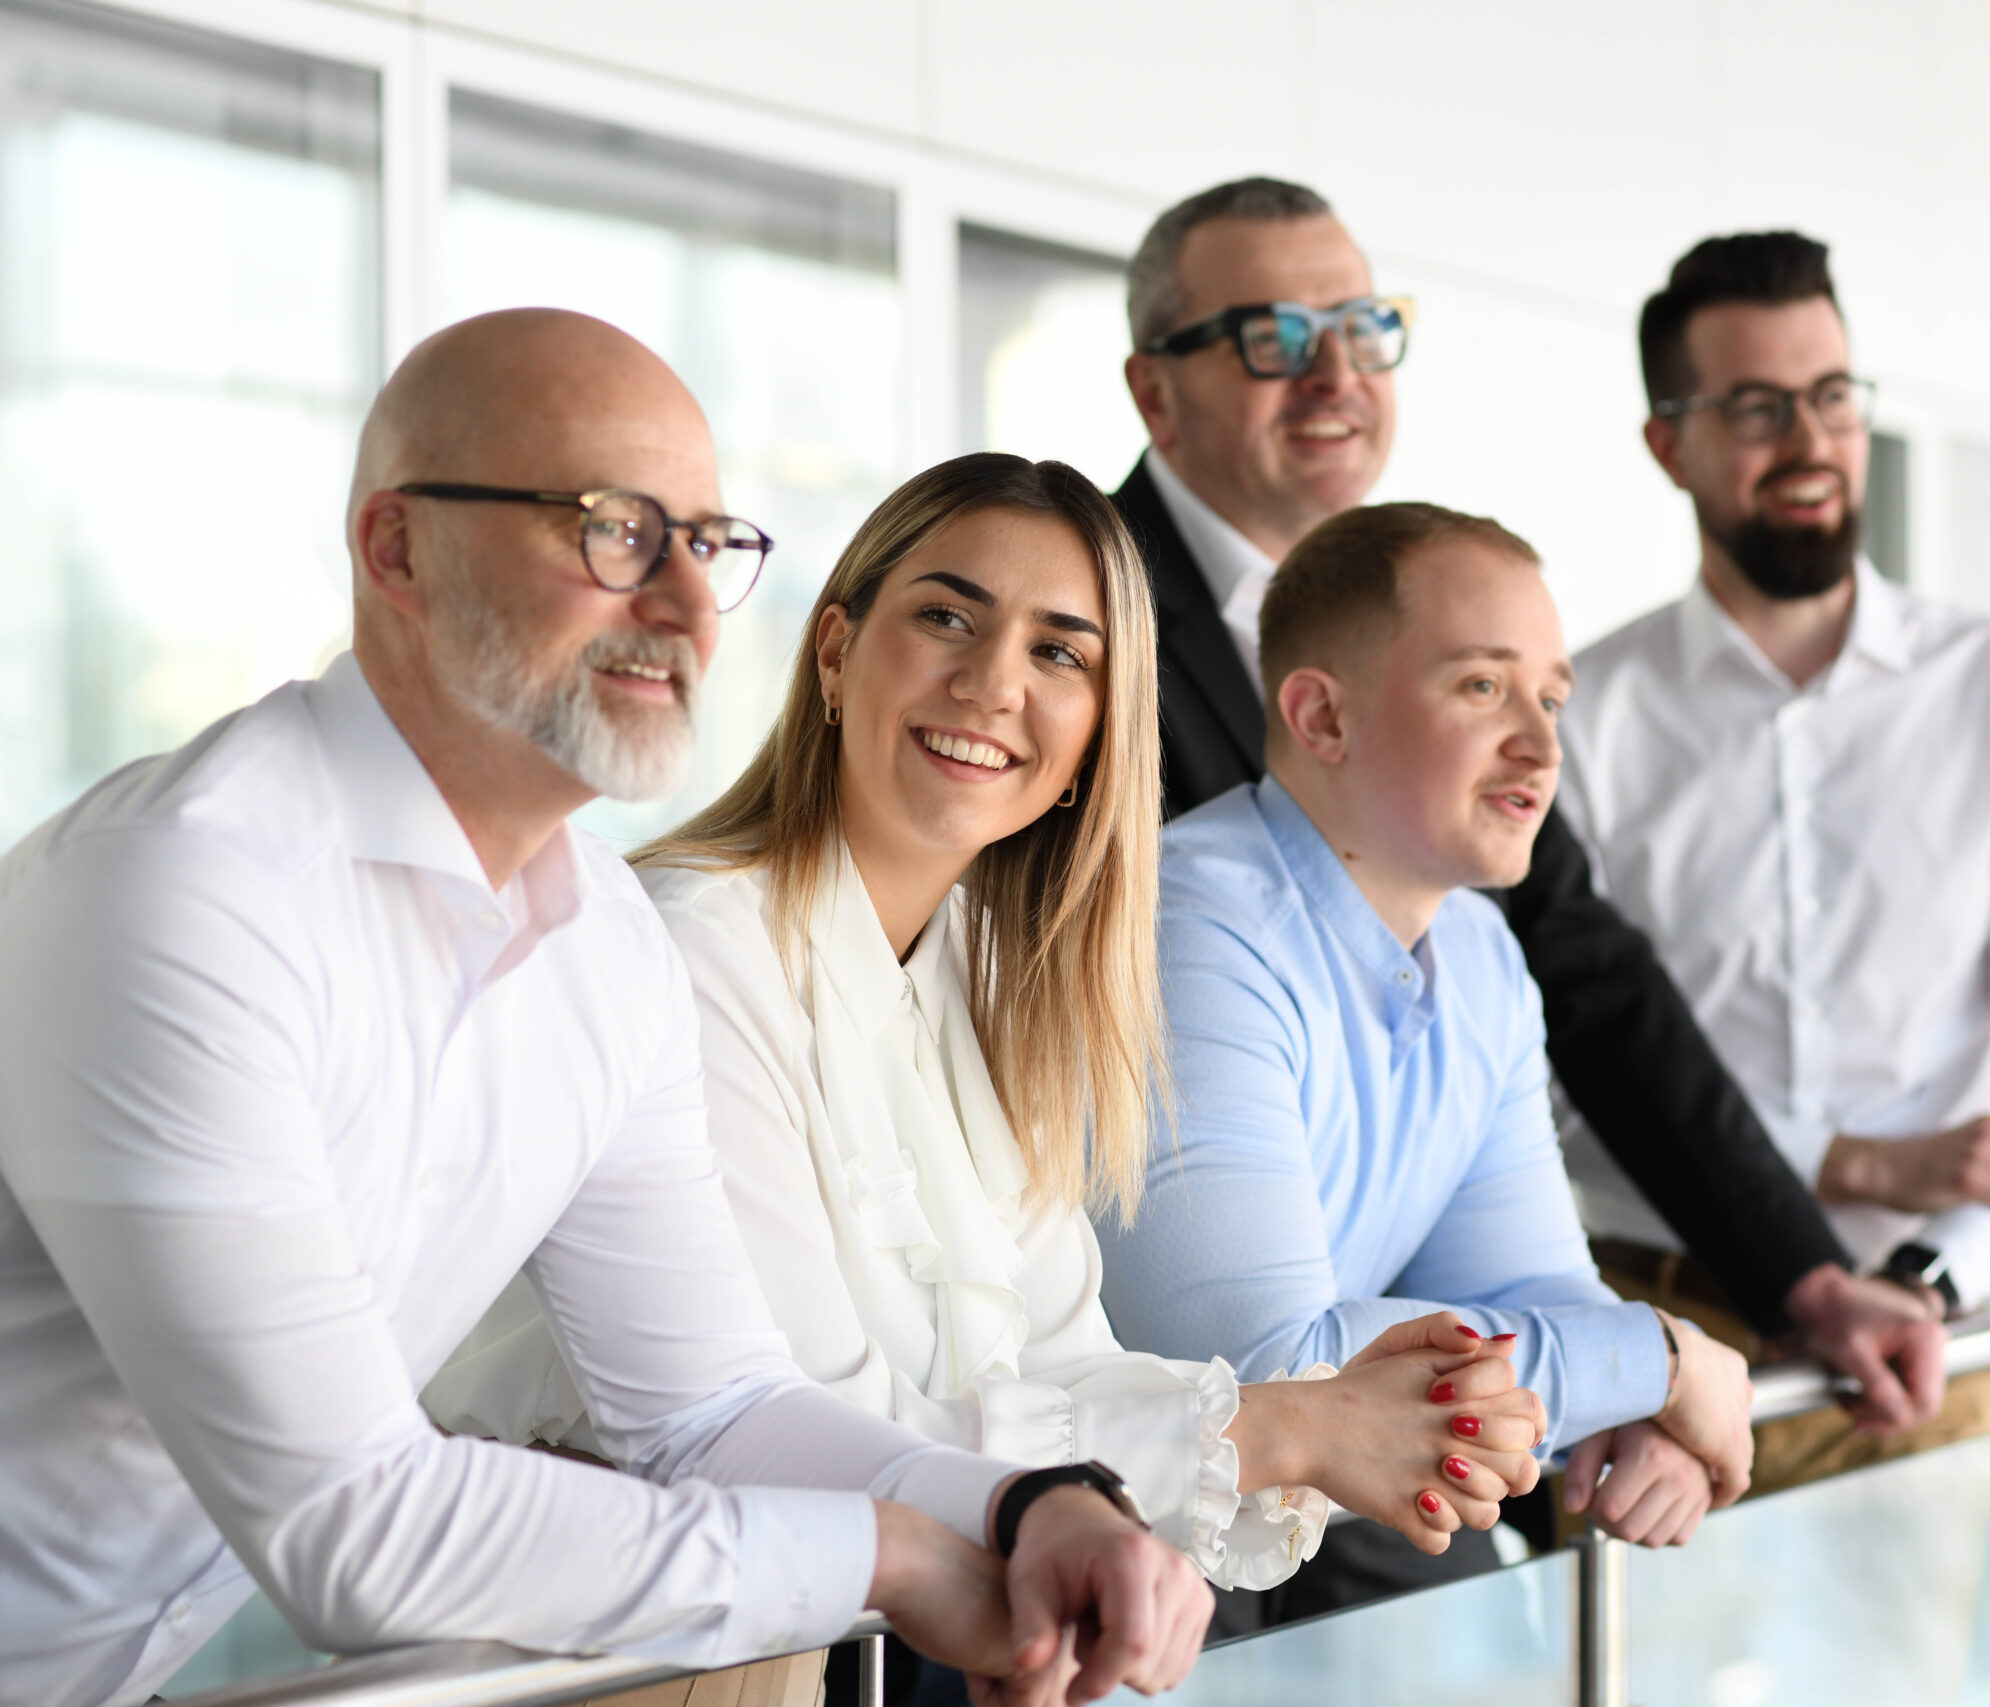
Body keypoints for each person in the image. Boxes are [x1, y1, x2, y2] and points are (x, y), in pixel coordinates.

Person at [0, 310, 1206, 1707]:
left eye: (708, 543)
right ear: (398, 550)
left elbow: (715, 1407)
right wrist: (893, 1552)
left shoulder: (602, 939)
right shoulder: (182, 890)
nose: (688, 606)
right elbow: (353, 1527)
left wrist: (1026, 1506)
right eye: (613, 531)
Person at [426, 455, 1546, 1697]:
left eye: (1062, 653)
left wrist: (1345, 1407)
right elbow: (798, 1432)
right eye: (947, 617)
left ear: (1096, 736)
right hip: (607, 1660)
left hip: (838, 1649)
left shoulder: (994, 978)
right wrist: (1281, 1428)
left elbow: (1054, 1361)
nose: (994, 682)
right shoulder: (690, 945)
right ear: (839, 653)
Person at [1106, 179, 1949, 1467]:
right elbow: (1249, 1355)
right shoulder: (1075, 611)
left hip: (1378, 1401)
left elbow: (1582, 964)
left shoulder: (1436, 622)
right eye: (1273, 337)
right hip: (1143, 1408)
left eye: (1365, 327)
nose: (1334, 373)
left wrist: (1794, 1285)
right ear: (1154, 391)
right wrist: (1641, 1364)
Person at [1097, 502, 1757, 1630]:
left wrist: (1631, 1397)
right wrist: (1660, 1360)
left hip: (1296, 1551)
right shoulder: (1190, 920)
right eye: (1483, 688)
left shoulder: (1483, 953)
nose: (1544, 748)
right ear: (1320, 716)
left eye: (1551, 698)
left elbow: (1528, 1287)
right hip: (1102, 1558)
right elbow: (1280, 1377)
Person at [1560, 230, 1990, 1333]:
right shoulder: (1580, 717)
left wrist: (1931, 1272)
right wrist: (1860, 1165)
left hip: (1924, 1329)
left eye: (1832, 396)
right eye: (1756, 408)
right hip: (1654, 1328)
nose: (1810, 441)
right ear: (1666, 444)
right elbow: (1562, 1072)